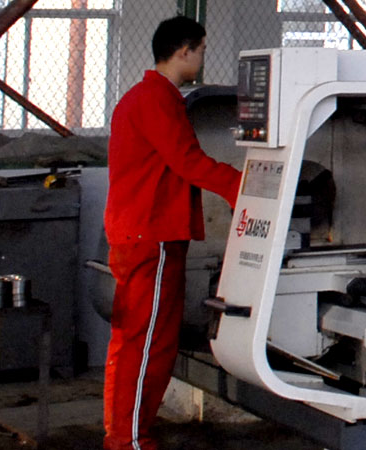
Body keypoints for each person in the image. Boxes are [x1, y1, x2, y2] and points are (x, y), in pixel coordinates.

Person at [103, 16, 242, 450]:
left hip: (140, 233)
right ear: (184, 51)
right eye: (201, 51)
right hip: (152, 236)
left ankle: (122, 434)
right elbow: (188, 160)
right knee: (149, 343)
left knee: (133, 341)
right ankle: (130, 440)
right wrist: (244, 186)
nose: (202, 59)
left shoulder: (142, 97)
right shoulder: (157, 99)